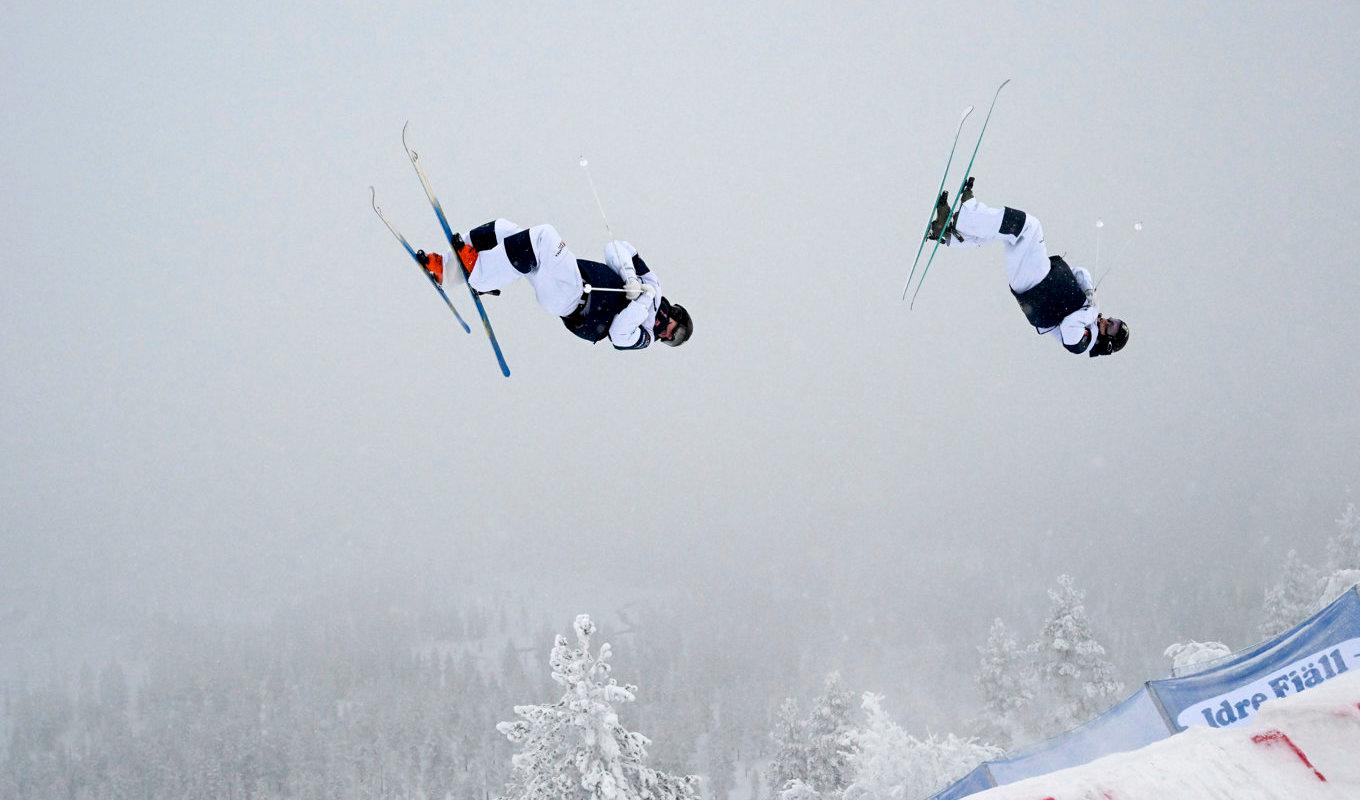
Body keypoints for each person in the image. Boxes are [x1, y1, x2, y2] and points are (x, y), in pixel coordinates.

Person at [928, 178, 1129, 357]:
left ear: (1107, 343)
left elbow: (1069, 326)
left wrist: (1091, 311)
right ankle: (949, 233)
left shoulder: (1082, 343)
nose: (1109, 320)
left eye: (1112, 327)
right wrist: (1088, 293)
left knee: (1029, 227)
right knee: (1011, 235)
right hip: (1038, 279)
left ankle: (964, 217)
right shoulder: (1090, 312)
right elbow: (1080, 272)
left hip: (1037, 289)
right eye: (1114, 320)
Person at [416, 220, 691, 350]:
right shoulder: (652, 285)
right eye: (674, 331)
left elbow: (619, 332)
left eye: (671, 341)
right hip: (572, 275)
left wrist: (642, 302)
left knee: (543, 237)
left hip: (571, 301)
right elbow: (615, 248)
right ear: (676, 314)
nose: (667, 335)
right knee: (506, 231)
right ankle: (447, 270)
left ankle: (481, 275)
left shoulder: (643, 338)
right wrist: (631, 277)